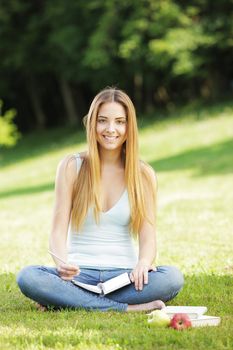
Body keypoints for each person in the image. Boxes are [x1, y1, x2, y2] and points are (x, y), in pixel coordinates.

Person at [17, 87, 184, 312]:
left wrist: (143, 263)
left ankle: (69, 302)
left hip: (124, 277)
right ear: (93, 124)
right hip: (78, 275)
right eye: (103, 120)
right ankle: (125, 309)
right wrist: (62, 264)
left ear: (129, 126)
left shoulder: (143, 174)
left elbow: (148, 236)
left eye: (120, 122)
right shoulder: (71, 167)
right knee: (29, 277)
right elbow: (57, 231)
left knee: (172, 278)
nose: (111, 129)